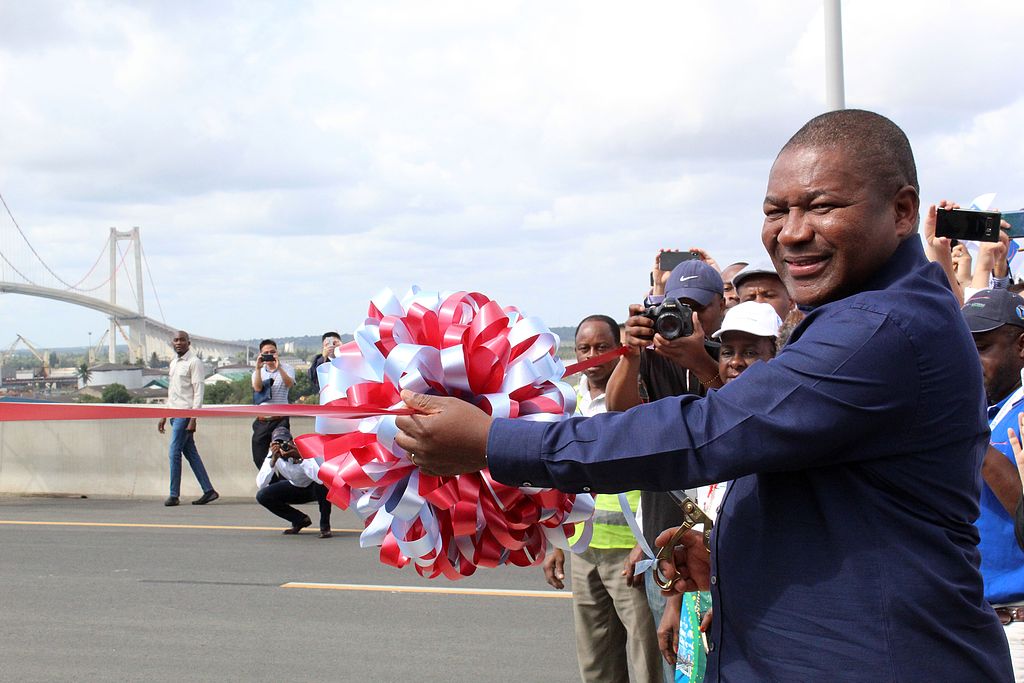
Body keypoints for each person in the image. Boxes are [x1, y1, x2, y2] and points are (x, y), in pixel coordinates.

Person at [393, 110, 1012, 680]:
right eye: (776, 211)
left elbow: (705, 431)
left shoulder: (883, 328)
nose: (792, 233)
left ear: (903, 212)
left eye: (821, 207)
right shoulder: (866, 313)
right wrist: (738, 560)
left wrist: (493, 441)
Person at [606, 256, 726, 683]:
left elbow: (743, 414)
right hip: (669, 540)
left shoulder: (735, 351)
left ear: (721, 306)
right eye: (678, 307)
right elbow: (618, 414)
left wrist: (700, 359)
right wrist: (630, 355)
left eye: (698, 307)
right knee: (683, 670)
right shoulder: (653, 356)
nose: (688, 318)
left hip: (725, 548)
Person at [658, 301, 782, 681]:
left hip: (757, 611)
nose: (736, 362)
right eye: (728, 351)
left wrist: (738, 604)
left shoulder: (783, 432)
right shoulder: (714, 425)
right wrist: (675, 605)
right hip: (705, 602)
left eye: (751, 352)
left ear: (777, 356)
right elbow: (697, 522)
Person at [542, 314, 661, 683]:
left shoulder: (639, 398)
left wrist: (645, 542)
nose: (592, 356)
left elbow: (654, 473)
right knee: (596, 662)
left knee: (646, 661)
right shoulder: (567, 401)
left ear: (620, 348)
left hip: (631, 554)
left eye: (602, 348)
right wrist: (556, 542)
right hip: (584, 551)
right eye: (584, 349)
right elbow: (559, 477)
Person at [962, 288, 1024, 678]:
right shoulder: (978, 410)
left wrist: (974, 441)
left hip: (1017, 627)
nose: (970, 361)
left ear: (1022, 346)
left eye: (982, 347)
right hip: (971, 623)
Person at [157, 331, 218, 507]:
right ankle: (209, 490)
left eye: (182, 340)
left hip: (185, 414)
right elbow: (172, 392)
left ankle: (174, 495)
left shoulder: (194, 362)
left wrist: (194, 417)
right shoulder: (174, 363)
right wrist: (164, 414)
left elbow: (198, 391)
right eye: (175, 340)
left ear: (188, 343)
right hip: (174, 414)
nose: (178, 343)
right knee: (191, 453)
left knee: (174, 452)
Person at [255, 425, 332, 537]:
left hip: (313, 487)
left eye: (284, 442)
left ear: (291, 441)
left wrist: (301, 458)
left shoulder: (303, 449)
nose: (282, 446)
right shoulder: (272, 455)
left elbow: (320, 478)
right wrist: (272, 462)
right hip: (295, 487)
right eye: (277, 443)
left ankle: (325, 526)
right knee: (262, 495)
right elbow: (261, 484)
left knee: (323, 486)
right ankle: (299, 519)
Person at [251, 339, 294, 469]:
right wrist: (258, 369)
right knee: (259, 457)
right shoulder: (257, 372)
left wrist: (278, 367)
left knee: (283, 455)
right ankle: (272, 484)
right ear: (260, 354)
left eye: (272, 352)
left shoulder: (287, 368)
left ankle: (283, 484)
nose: (269, 355)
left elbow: (289, 384)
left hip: (280, 420)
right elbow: (257, 388)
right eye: (266, 353)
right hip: (262, 420)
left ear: (277, 352)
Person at [730, 262, 795, 322]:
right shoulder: (728, 333)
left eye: (769, 296)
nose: (759, 302)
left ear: (791, 301)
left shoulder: (803, 332)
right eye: (749, 299)